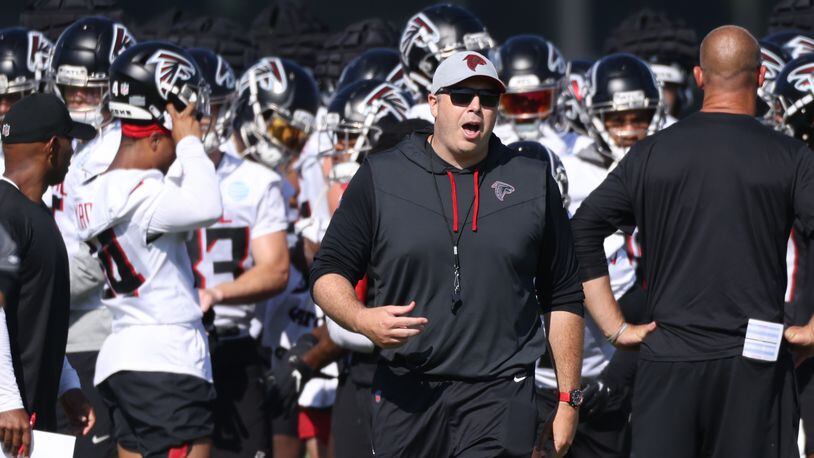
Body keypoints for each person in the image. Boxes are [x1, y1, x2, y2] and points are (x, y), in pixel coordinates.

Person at [311, 50, 585, 457]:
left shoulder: (530, 180)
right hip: (408, 391)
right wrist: (360, 318)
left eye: (487, 99)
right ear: (433, 103)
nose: (475, 107)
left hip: (500, 393)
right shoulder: (382, 175)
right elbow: (328, 272)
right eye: (461, 95)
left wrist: (567, 399)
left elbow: (563, 294)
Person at [570, 25, 814, 458]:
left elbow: (582, 229)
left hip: (668, 361)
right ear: (761, 78)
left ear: (699, 78)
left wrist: (615, 327)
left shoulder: (650, 153)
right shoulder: (792, 157)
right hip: (754, 362)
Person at [73, 42, 221, 458]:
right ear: (158, 133)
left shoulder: (90, 190)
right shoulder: (144, 193)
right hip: (169, 362)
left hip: (122, 357)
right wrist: (190, 143)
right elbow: (209, 204)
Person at [186, 47, 290, 458]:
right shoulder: (148, 176)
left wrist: (217, 294)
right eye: (193, 107)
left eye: (213, 106)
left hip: (231, 341)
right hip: (168, 344)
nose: (204, 117)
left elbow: (276, 270)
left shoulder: (256, 180)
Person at [47, 17, 135, 457]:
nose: (79, 100)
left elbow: (97, 261)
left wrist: (31, 283)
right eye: (71, 89)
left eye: (92, 89)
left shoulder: (122, 148)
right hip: (52, 334)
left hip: (97, 332)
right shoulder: (65, 142)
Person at [0, 93, 97, 450]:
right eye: (71, 141)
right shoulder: (5, 211)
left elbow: (36, 317)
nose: (74, 152)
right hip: (10, 420)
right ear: (53, 146)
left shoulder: (34, 213)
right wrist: (6, 400)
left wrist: (66, 383)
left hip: (29, 416)